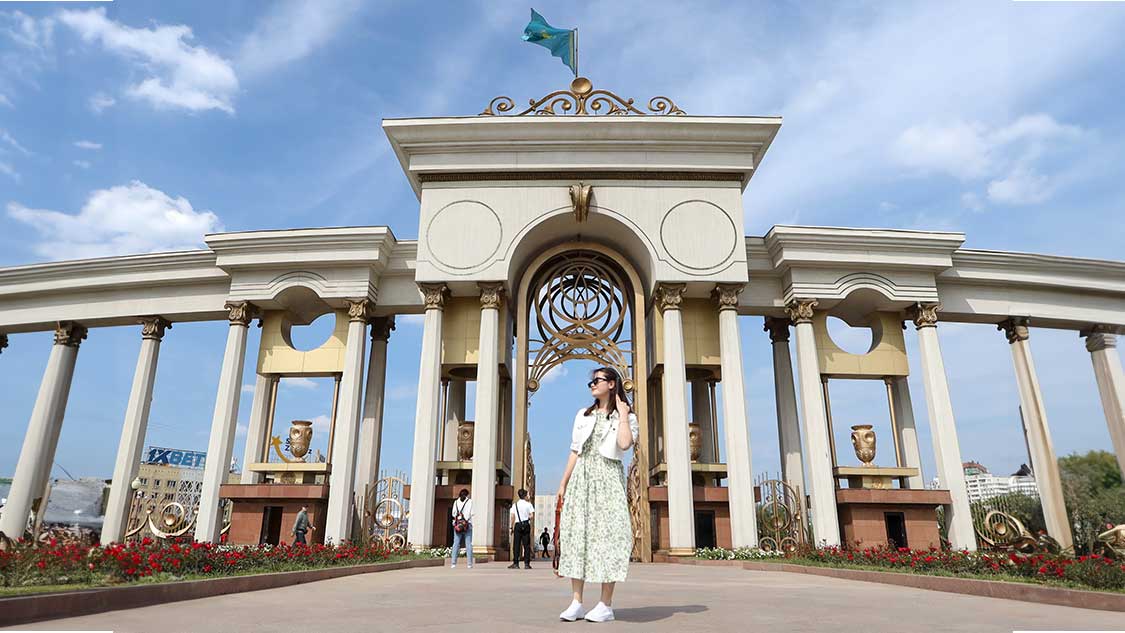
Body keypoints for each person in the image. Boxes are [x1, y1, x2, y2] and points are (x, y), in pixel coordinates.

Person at [557, 366, 639, 623]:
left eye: (597, 380)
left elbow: (625, 444)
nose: (592, 385)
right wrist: (563, 483)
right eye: (590, 381)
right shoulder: (583, 414)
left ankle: (605, 603)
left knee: (609, 538)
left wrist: (624, 415)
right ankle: (577, 602)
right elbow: (574, 451)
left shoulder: (627, 417)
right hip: (582, 478)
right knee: (578, 536)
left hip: (608, 479)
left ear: (612, 384)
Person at [508, 488, 535, 569]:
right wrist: (527, 518)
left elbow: (512, 517)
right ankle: (527, 564)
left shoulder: (515, 505)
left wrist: (511, 527)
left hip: (517, 525)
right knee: (526, 545)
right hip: (526, 524)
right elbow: (532, 515)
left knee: (516, 544)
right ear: (525, 495)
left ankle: (516, 563)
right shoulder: (529, 504)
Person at [450, 488, 473, 569]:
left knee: (456, 543)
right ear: (467, 494)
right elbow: (472, 513)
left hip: (457, 525)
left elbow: (453, 514)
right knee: (468, 544)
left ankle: (453, 563)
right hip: (467, 524)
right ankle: (469, 564)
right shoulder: (470, 502)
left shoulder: (456, 502)